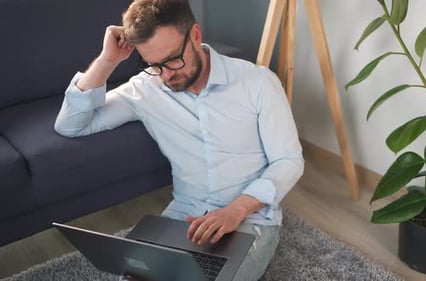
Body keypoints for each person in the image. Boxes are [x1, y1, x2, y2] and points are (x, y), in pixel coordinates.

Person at [54, 0, 304, 280]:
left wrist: (237, 209)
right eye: (153, 64)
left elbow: (289, 161)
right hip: (184, 216)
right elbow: (70, 125)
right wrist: (107, 60)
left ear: (195, 35)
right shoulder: (146, 88)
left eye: (173, 59)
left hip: (249, 219)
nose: (166, 75)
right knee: (135, 276)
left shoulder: (258, 83)